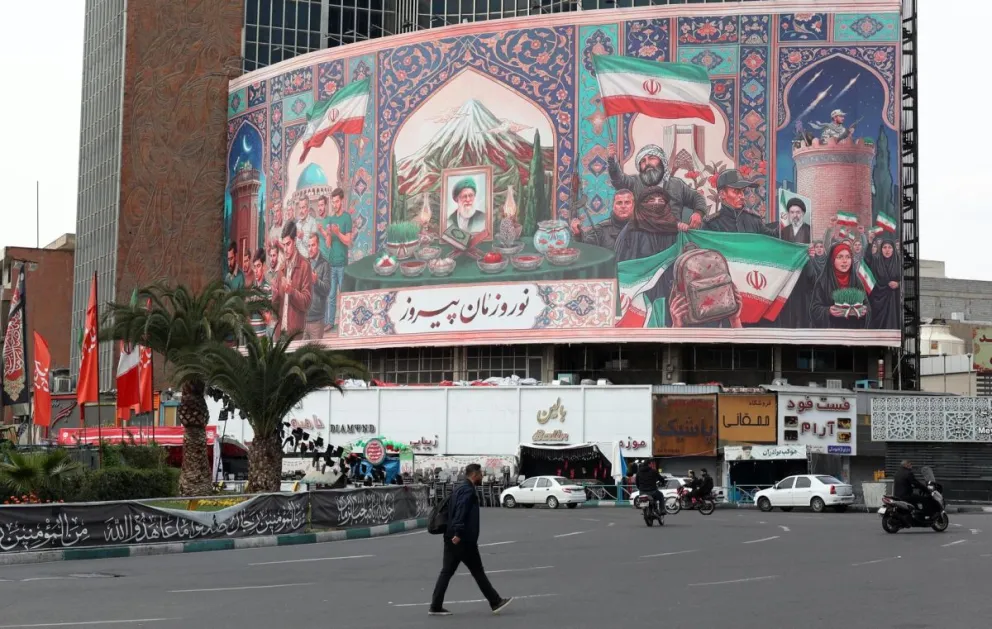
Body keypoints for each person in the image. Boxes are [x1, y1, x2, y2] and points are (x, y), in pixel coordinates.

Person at [430, 464, 512, 617]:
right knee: (477, 571)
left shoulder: (460, 488)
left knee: (447, 572)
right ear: (474, 474)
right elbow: (461, 511)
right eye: (480, 473)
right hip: (462, 539)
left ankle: (435, 606)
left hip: (451, 537)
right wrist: (459, 532)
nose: (482, 476)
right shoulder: (468, 491)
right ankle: (495, 601)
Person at [809, 241, 870, 329]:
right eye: (840, 257)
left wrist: (864, 311)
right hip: (831, 333)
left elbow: (867, 306)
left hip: (852, 332)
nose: (844, 261)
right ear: (832, 260)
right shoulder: (822, 282)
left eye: (848, 257)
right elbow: (814, 310)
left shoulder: (856, 281)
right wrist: (828, 311)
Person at [703, 170, 778, 235]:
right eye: (736, 191)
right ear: (722, 194)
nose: (742, 196)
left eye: (743, 191)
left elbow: (772, 239)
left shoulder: (754, 220)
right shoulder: (711, 224)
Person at [272, 220, 313, 338]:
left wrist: (291, 291)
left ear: (294, 241)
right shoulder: (281, 268)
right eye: (283, 245)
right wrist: (274, 295)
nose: (285, 249)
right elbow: (275, 307)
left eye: (288, 244)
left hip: (295, 335)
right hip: (280, 334)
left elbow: (307, 302)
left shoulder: (305, 265)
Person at [318, 188, 352, 331]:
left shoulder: (346, 218)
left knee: (343, 294)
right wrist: (326, 234)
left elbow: (348, 241)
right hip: (332, 264)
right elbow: (328, 243)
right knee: (331, 296)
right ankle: (330, 323)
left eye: (337, 202)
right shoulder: (330, 220)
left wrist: (338, 233)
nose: (335, 204)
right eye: (333, 202)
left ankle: (345, 323)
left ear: (342, 201)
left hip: (343, 264)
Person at [570, 189, 634, 250]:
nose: (623, 206)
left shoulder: (640, 228)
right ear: (613, 206)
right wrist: (578, 234)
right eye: (619, 203)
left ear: (633, 205)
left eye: (627, 202)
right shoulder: (601, 229)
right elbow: (585, 249)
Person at [866, 235, 902, 330]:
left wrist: (898, 284)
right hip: (878, 300)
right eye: (884, 247)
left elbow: (906, 281)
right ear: (880, 249)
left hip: (894, 300)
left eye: (889, 247)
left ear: (893, 249)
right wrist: (870, 243)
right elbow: (867, 259)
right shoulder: (876, 261)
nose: (887, 250)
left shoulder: (899, 262)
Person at [304, 233, 331, 341]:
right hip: (303, 321)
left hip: (317, 321)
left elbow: (327, 289)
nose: (310, 249)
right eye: (309, 246)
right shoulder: (304, 264)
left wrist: (316, 281)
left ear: (318, 245)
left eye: (313, 245)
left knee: (315, 356)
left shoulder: (325, 264)